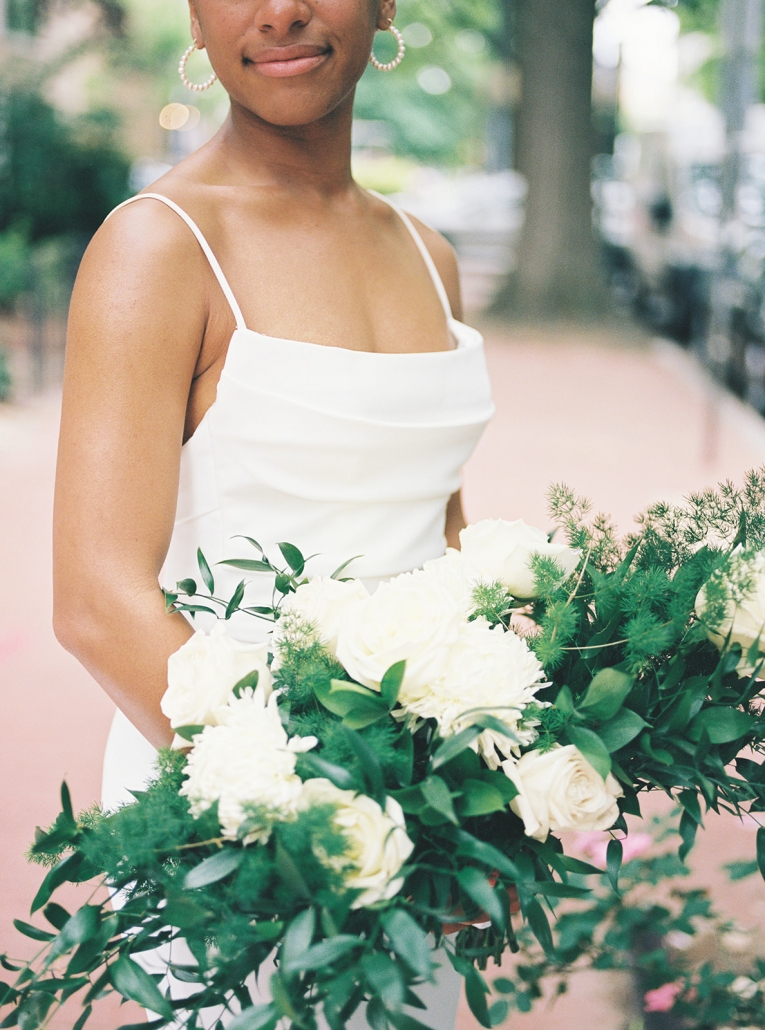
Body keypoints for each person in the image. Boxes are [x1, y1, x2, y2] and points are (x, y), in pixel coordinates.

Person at [53, 0, 495, 1026]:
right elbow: (96, 600)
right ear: (197, 16)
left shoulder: (430, 254)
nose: (282, 10)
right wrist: (318, 821)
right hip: (236, 819)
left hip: (417, 824)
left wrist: (481, 789)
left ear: (387, 5)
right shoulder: (156, 250)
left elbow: (447, 540)